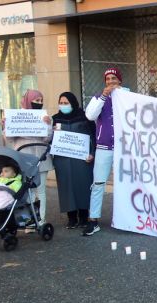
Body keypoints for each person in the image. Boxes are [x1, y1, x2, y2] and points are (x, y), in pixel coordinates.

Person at [3, 89, 53, 226]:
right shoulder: (17, 116)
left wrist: (48, 125)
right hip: (23, 159)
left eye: (41, 101)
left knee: (40, 190)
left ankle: (40, 219)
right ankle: (29, 219)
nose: (40, 103)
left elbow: (47, 138)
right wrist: (5, 126)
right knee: (27, 191)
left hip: (40, 159)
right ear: (28, 101)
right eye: (37, 100)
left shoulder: (46, 117)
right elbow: (9, 138)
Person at [82, 67, 122, 236]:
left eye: (114, 78)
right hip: (104, 147)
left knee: (125, 184)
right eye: (108, 79)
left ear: (120, 81)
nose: (111, 81)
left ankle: (126, 218)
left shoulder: (127, 96)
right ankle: (93, 219)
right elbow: (90, 116)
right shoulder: (98, 98)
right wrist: (104, 96)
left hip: (123, 147)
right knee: (98, 183)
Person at [51, 92, 96, 229]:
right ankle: (71, 218)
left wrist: (92, 153)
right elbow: (48, 139)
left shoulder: (84, 117)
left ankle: (83, 216)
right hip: (63, 160)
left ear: (73, 103)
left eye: (66, 103)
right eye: (61, 103)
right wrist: (49, 129)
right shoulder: (55, 119)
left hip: (82, 159)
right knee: (67, 187)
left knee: (82, 185)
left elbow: (93, 136)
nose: (63, 106)